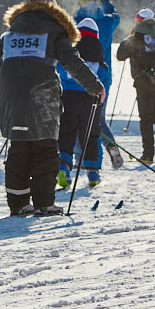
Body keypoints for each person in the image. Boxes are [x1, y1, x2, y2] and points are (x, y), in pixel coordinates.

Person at [0, 0, 104, 216]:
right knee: (46, 148)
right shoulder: (55, 30)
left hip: (11, 99)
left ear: (27, 3)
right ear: (50, 3)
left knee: (18, 149)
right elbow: (72, 62)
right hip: (42, 97)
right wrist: (95, 86)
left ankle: (18, 204)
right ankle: (44, 203)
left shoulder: (9, 34)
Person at [116, 9, 155, 162]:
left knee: (146, 118)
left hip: (144, 83)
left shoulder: (135, 39)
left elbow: (120, 55)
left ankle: (148, 153)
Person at [75, 0, 124, 168]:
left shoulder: (76, 22)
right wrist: (107, 2)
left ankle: (81, 159)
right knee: (98, 117)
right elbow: (115, 16)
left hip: (78, 78)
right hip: (103, 77)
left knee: (79, 118)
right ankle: (108, 147)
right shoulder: (106, 22)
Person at [57, 17, 107, 188]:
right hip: (90, 99)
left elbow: (60, 71)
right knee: (91, 135)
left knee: (66, 133)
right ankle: (93, 172)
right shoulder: (99, 54)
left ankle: (63, 166)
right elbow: (104, 79)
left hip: (68, 97)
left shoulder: (71, 51)